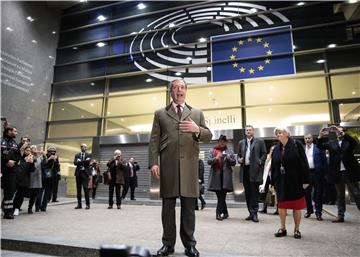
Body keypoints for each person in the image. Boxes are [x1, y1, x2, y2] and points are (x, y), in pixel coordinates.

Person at [149, 78, 212, 257]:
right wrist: (154, 162)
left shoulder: (197, 113)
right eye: (176, 88)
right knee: (167, 208)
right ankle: (168, 244)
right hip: (168, 166)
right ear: (171, 91)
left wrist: (197, 129)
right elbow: (154, 139)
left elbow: (208, 136)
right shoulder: (160, 113)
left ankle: (189, 245)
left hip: (189, 167)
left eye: (182, 87)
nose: (179, 90)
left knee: (188, 208)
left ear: (186, 91)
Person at [271, 127, 309, 239]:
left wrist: (306, 180)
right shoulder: (276, 148)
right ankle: (282, 228)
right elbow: (274, 167)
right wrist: (273, 183)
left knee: (296, 206)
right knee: (282, 206)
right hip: (281, 182)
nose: (278, 134)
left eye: (280, 132)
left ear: (287, 134)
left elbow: (304, 163)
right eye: (277, 133)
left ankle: (297, 229)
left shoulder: (297, 145)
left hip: (295, 181)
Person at [317, 125, 360, 223]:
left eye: (339, 130)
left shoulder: (348, 141)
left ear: (343, 131)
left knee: (356, 193)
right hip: (337, 173)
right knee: (340, 195)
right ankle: (341, 215)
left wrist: (342, 133)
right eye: (336, 131)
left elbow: (354, 143)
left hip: (349, 172)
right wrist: (320, 136)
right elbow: (320, 146)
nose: (337, 132)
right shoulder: (332, 143)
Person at [237, 125, 267, 223]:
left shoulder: (260, 142)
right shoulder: (241, 142)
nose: (248, 131)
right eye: (247, 130)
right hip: (245, 170)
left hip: (255, 170)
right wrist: (239, 159)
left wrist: (259, 162)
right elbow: (239, 155)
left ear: (253, 131)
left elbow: (264, 154)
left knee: (254, 193)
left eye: (250, 130)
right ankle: (250, 213)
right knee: (248, 193)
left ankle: (255, 213)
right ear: (245, 132)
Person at [208, 135, 236, 220]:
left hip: (225, 177)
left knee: (222, 196)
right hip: (216, 177)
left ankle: (218, 213)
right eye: (221, 141)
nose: (222, 143)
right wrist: (216, 158)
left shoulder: (229, 151)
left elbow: (234, 162)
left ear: (226, 142)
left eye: (224, 141)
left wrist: (229, 159)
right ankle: (226, 212)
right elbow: (209, 161)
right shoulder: (213, 150)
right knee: (220, 196)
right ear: (218, 142)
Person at [303, 133, 328, 221]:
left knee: (318, 194)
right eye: (305, 138)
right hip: (306, 174)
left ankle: (318, 213)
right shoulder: (302, 149)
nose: (307, 140)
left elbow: (324, 160)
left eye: (309, 138)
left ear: (312, 139)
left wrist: (325, 174)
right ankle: (309, 211)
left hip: (317, 173)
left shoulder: (318, 147)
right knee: (306, 193)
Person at [1, 125, 21, 219]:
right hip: (2, 169)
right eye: (15, 131)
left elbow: (18, 156)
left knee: (10, 192)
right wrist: (6, 161)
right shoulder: (1, 141)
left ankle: (7, 212)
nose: (16, 133)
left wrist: (14, 162)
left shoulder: (15, 144)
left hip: (11, 172)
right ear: (9, 131)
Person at [13, 144, 35, 215]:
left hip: (24, 180)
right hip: (15, 178)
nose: (28, 152)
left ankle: (17, 208)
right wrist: (25, 161)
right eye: (27, 150)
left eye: (29, 150)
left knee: (20, 195)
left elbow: (32, 170)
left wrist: (31, 163)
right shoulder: (19, 157)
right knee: (10, 194)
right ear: (23, 150)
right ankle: (7, 208)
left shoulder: (30, 158)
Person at [38, 146, 60, 212]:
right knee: (40, 192)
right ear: (48, 152)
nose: (53, 153)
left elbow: (57, 168)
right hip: (43, 177)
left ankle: (43, 207)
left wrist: (56, 161)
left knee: (47, 193)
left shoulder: (55, 158)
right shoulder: (44, 156)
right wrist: (49, 159)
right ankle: (37, 206)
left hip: (51, 178)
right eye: (51, 152)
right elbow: (42, 166)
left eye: (54, 152)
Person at [28, 145, 45, 214]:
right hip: (31, 177)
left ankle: (30, 208)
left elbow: (45, 162)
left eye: (36, 148)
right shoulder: (30, 156)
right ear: (31, 150)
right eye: (34, 148)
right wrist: (39, 157)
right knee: (29, 193)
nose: (36, 150)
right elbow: (35, 165)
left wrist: (44, 155)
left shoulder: (38, 157)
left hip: (38, 178)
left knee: (34, 194)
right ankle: (17, 207)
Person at [73, 143, 92, 210]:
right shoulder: (77, 155)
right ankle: (79, 204)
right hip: (78, 174)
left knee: (86, 189)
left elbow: (88, 162)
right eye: (81, 147)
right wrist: (83, 161)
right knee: (78, 190)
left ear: (86, 148)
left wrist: (80, 161)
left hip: (85, 174)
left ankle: (87, 204)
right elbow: (75, 163)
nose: (82, 148)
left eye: (83, 147)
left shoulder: (89, 154)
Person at [259, 145, 276, 214]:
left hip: (274, 176)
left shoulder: (278, 156)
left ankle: (278, 209)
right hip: (267, 176)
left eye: (274, 150)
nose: (272, 151)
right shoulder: (268, 156)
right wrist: (269, 157)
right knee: (265, 192)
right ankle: (264, 208)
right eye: (271, 150)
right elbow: (265, 165)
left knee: (276, 192)